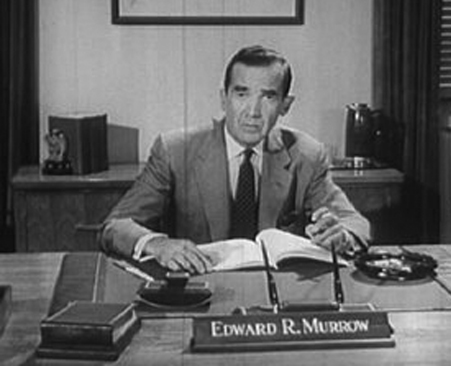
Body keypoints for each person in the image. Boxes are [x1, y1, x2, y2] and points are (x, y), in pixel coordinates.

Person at [100, 45, 370, 274]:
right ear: (223, 98)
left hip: (276, 294)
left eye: (268, 96)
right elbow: (114, 227)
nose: (253, 111)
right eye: (242, 94)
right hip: (201, 287)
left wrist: (341, 236)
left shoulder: (307, 154)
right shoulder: (174, 150)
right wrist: (157, 244)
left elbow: (356, 224)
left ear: (285, 105)